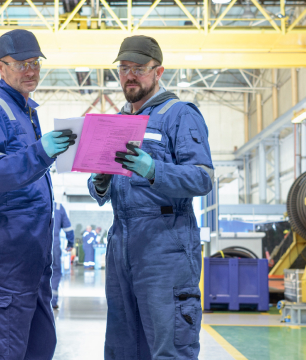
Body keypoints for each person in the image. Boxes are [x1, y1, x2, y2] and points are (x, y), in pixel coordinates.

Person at [88, 35, 214, 360]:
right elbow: (103, 188)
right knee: (122, 349)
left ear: (158, 72)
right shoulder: (116, 122)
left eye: (139, 69)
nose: (130, 76)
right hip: (121, 244)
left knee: (170, 348)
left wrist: (153, 170)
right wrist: (100, 181)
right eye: (124, 68)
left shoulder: (180, 114)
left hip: (165, 246)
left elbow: (202, 178)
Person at [0, 29, 78, 360]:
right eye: (21, 64)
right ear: (1, 67)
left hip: (31, 259)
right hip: (4, 257)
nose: (30, 71)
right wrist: (40, 152)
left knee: (39, 348)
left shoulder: (26, 113)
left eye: (35, 63)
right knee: (5, 351)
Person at [51, 201, 73, 310]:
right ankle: (52, 301)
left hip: (35, 244)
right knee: (54, 272)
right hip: (53, 243)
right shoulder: (58, 207)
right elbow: (68, 227)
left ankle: (35, 302)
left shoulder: (32, 202)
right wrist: (70, 243)